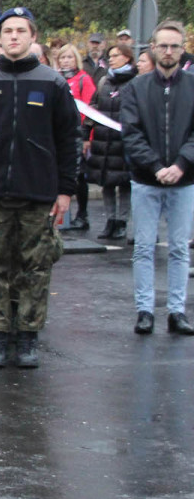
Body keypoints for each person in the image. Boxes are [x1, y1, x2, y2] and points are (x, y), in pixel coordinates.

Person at [0, 7, 76, 368]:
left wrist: (65, 190)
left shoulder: (51, 83)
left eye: (21, 31)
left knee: (35, 267)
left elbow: (68, 139)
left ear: (32, 37)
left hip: (39, 193)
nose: (14, 37)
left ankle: (27, 335)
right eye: (7, 31)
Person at [120, 21, 194, 336]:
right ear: (152, 47)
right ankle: (145, 311)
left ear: (182, 49)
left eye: (174, 46)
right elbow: (131, 133)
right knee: (144, 248)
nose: (168, 51)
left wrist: (180, 163)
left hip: (185, 179)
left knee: (179, 248)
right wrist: (154, 166)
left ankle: (177, 311)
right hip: (145, 180)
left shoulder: (193, 85)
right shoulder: (135, 88)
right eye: (162, 45)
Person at [85, 43, 135, 240]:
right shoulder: (105, 81)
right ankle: (110, 221)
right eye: (110, 56)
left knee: (124, 183)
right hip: (103, 139)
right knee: (106, 181)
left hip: (123, 140)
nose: (111, 59)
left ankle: (122, 222)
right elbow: (93, 107)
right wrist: (86, 134)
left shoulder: (134, 82)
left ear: (127, 58)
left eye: (116, 55)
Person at [55, 44, 96, 230]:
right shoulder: (55, 79)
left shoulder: (84, 79)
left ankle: (82, 214)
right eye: (62, 58)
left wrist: (88, 137)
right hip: (57, 133)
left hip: (78, 133)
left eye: (69, 58)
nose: (65, 61)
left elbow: (90, 110)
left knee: (79, 176)